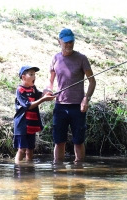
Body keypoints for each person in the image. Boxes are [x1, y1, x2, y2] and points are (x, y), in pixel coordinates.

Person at [46, 28, 96, 163]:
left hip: (78, 107)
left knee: (78, 141)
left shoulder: (81, 59)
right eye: (66, 42)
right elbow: (50, 80)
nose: (69, 45)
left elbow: (92, 81)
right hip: (60, 106)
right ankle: (58, 172)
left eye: (71, 42)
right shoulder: (55, 58)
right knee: (59, 142)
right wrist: (48, 91)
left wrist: (86, 98)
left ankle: (79, 174)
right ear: (59, 42)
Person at [14, 65, 55, 164]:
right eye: (31, 74)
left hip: (31, 125)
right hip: (22, 125)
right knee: (22, 149)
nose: (34, 77)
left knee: (30, 149)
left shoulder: (33, 88)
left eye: (34, 74)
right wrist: (43, 99)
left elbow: (40, 95)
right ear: (23, 77)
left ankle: (29, 169)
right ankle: (18, 168)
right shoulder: (20, 90)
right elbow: (28, 106)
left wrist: (47, 94)